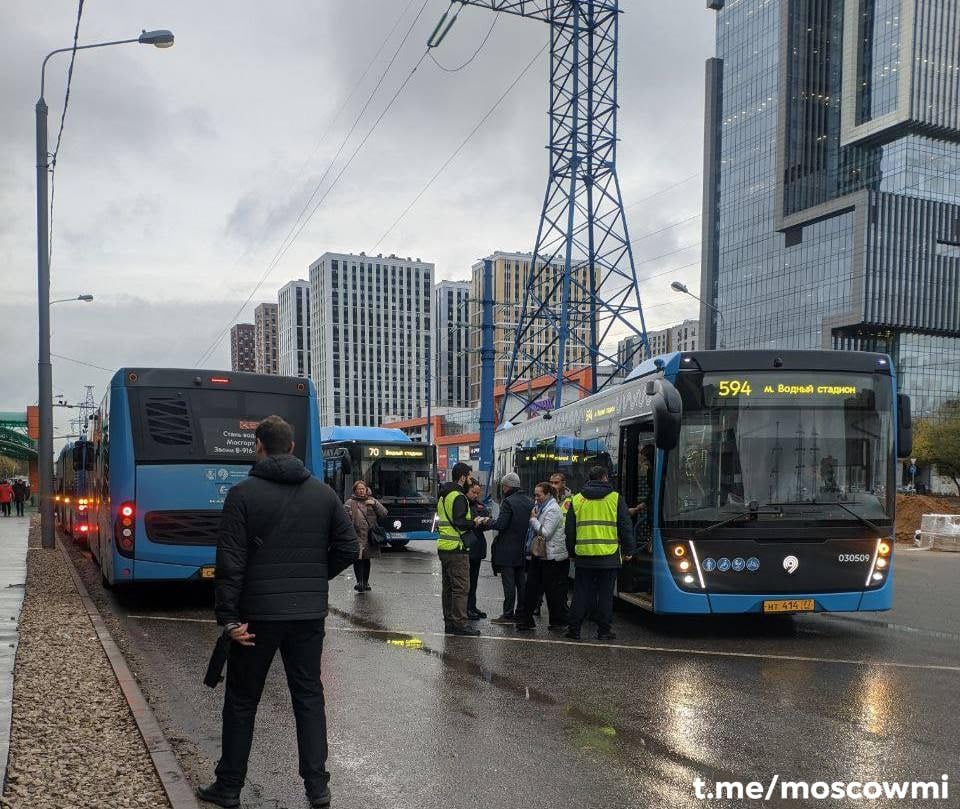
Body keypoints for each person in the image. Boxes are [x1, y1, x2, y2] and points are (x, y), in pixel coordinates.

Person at [200, 415, 359, 809]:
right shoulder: (323, 495)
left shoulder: (242, 495)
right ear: (291, 448)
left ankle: (229, 787)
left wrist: (228, 619)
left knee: (241, 700)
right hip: (307, 616)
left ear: (259, 446)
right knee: (308, 697)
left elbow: (231, 562)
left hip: (255, 617)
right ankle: (317, 788)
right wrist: (312, 576)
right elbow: (349, 548)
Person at [564, 465, 636, 641]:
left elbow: (570, 530)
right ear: (604, 477)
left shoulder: (578, 499)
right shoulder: (615, 498)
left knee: (580, 594)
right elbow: (626, 527)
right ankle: (604, 631)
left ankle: (574, 630)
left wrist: (571, 551)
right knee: (605, 595)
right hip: (609, 556)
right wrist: (629, 550)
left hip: (584, 556)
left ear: (589, 478)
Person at [515, 482, 569, 631]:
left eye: (539, 495)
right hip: (540, 554)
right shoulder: (540, 507)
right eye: (535, 494)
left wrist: (533, 520)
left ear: (548, 495)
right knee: (531, 588)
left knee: (552, 591)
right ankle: (526, 619)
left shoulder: (553, 510)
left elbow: (546, 533)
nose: (536, 497)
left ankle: (557, 621)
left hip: (551, 557)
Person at [436, 462, 481, 637]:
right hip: (456, 548)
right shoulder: (459, 496)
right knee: (461, 588)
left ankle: (449, 622)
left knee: (448, 588)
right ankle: (460, 624)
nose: (470, 479)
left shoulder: (443, 495)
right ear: (462, 477)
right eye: (469, 476)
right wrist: (475, 522)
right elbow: (460, 521)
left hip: (444, 547)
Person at [483, 473, 533, 625]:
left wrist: (487, 521)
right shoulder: (529, 501)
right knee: (521, 583)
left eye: (503, 486)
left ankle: (508, 614)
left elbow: (501, 524)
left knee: (509, 584)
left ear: (507, 486)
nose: (503, 488)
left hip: (507, 550)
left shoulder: (508, 502)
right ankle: (522, 612)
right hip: (522, 548)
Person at [346, 480, 387, 592]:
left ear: (366, 489)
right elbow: (343, 518)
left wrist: (375, 504)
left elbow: (384, 513)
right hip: (356, 536)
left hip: (369, 536)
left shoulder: (372, 501)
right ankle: (359, 582)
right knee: (358, 559)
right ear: (355, 490)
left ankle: (366, 582)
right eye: (359, 489)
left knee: (366, 559)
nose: (361, 491)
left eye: (362, 488)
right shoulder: (350, 502)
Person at [465, 480, 489, 620]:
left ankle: (472, 606)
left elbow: (485, 516)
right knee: (466, 582)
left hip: (477, 548)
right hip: (468, 547)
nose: (476, 495)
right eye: (473, 492)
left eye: (477, 492)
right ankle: (467, 609)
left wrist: (483, 520)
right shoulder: (463, 504)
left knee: (473, 581)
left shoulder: (479, 505)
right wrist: (477, 521)